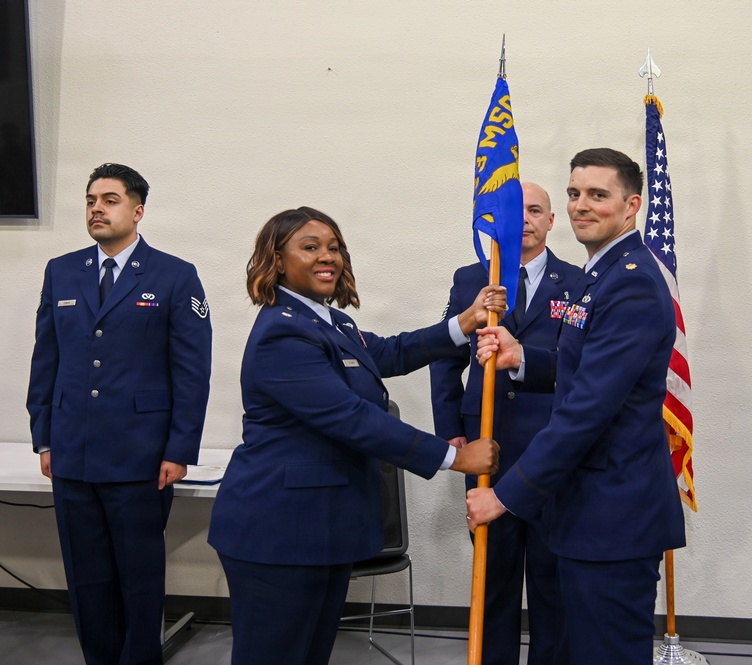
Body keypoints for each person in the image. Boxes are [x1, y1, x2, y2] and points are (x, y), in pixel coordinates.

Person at [207, 206, 502, 665]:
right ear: (277, 260)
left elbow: (391, 351)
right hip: (278, 532)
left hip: (322, 527)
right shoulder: (282, 334)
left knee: (308, 654)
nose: (328, 257)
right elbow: (351, 418)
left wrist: (463, 324)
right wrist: (452, 457)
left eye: (334, 247)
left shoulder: (332, 323)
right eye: (310, 247)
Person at [467, 149, 686, 665]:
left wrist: (505, 496)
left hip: (613, 513)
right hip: (589, 508)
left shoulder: (629, 279)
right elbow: (583, 364)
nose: (580, 206)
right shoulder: (600, 271)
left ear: (631, 206)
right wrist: (526, 359)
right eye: (573, 193)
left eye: (597, 195)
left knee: (604, 653)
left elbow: (588, 408)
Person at [26, 163, 213, 665]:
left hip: (142, 456)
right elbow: (47, 360)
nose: (96, 209)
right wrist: (43, 438)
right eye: (90, 200)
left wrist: (179, 448)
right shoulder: (62, 271)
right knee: (86, 578)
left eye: (109, 200)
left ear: (137, 210)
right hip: (72, 453)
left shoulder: (174, 275)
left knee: (138, 576)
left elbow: (192, 373)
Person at [430, 182, 580, 665]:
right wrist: (450, 427)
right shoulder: (470, 277)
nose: (527, 221)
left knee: (550, 581)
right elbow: (444, 355)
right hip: (487, 448)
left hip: (550, 450)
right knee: (491, 579)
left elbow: (577, 364)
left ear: (552, 221)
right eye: (517, 212)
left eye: (536, 211)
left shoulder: (577, 282)